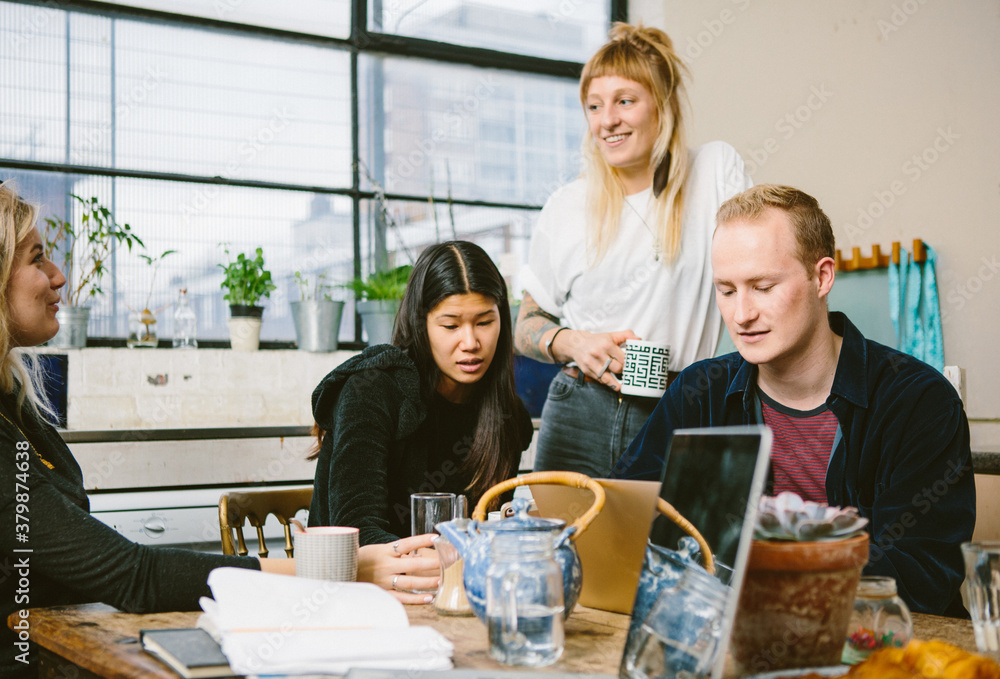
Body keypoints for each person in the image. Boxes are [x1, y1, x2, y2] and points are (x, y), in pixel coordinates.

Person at [0, 182, 433, 677]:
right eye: (37, 259)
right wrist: (341, 571)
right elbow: (133, 576)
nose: (58, 276)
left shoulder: (17, 399)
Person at [612, 184, 975, 616]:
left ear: (821, 277)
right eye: (726, 291)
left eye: (763, 287)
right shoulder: (699, 391)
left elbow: (921, 577)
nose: (741, 315)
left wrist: (763, 563)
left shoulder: (918, 401)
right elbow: (624, 520)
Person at [514, 22, 752, 478]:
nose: (608, 121)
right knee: (569, 548)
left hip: (679, 403)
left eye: (625, 101)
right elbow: (526, 324)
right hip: (578, 407)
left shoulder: (713, 172)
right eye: (594, 106)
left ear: (660, 106)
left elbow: (756, 262)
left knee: (677, 548)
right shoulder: (567, 206)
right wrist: (571, 342)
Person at [308, 241, 534, 594]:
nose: (471, 341)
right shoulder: (372, 389)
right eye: (450, 325)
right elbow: (357, 534)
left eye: (485, 322)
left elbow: (485, 526)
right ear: (422, 324)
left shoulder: (508, 417)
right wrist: (454, 559)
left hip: (454, 600)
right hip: (356, 598)